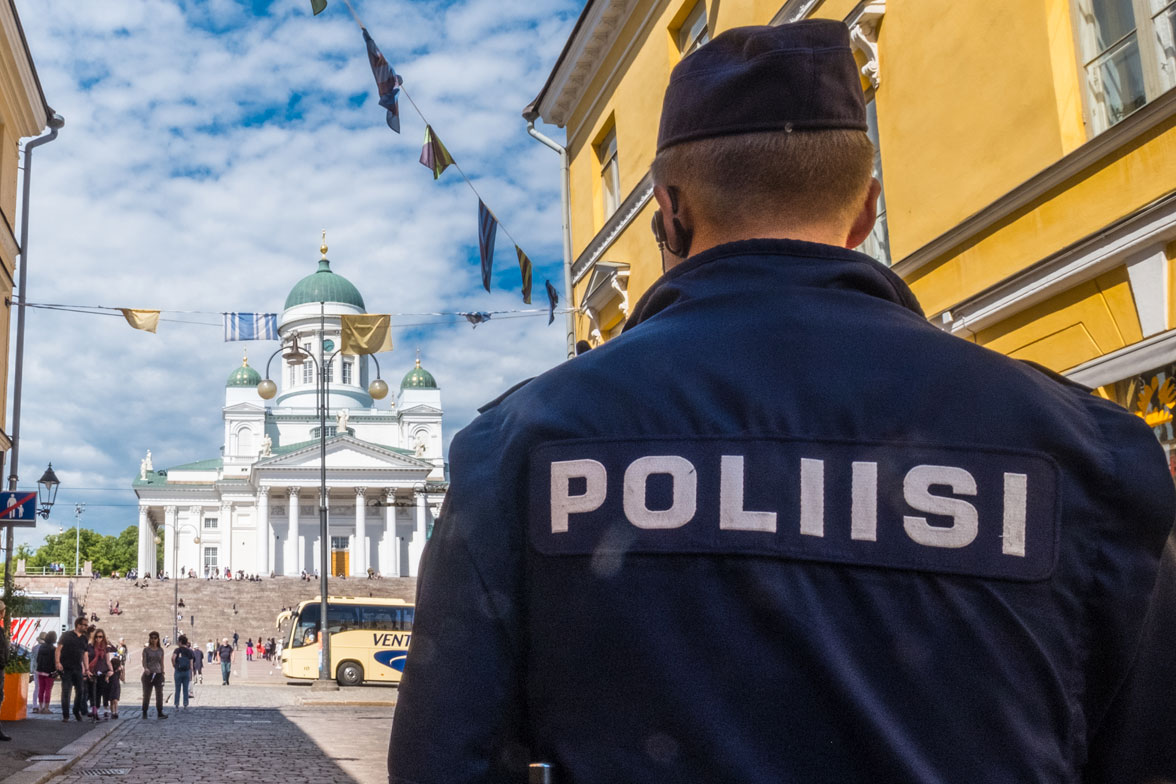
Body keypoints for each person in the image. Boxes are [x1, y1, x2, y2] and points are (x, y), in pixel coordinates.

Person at [387, 21, 1176, 784]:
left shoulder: (522, 447)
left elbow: (445, 761)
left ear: (670, 208)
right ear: (867, 208)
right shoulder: (1090, 454)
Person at [56, 615, 89, 723]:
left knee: (80, 691)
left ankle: (76, 711)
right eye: (84, 625)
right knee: (66, 692)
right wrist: (57, 662)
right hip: (66, 667)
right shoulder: (66, 635)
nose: (86, 627)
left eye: (86, 625)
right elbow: (58, 649)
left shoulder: (84, 638)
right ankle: (66, 715)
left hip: (78, 668)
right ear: (78, 625)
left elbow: (85, 654)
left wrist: (87, 668)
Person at [85, 629, 112, 722]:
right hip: (92, 671)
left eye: (100, 637)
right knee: (92, 692)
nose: (98, 639)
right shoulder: (90, 646)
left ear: (103, 637)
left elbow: (108, 661)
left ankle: (96, 711)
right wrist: (86, 669)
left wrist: (111, 670)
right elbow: (85, 658)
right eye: (96, 637)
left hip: (102, 671)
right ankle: (94, 711)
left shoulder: (106, 648)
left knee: (99, 693)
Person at [140, 631, 167, 719]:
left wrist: (163, 673)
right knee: (146, 694)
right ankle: (144, 711)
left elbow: (162, 662)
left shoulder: (160, 650)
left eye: (155, 638)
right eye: (152, 638)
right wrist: (146, 668)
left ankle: (160, 711)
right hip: (148, 674)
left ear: (158, 639)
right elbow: (144, 661)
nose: (153, 640)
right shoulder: (146, 650)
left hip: (158, 674)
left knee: (159, 694)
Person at [35, 631, 57, 714]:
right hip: (49, 672)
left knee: (41, 689)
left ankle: (40, 707)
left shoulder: (41, 647)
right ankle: (46, 708)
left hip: (40, 670)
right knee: (48, 690)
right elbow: (54, 661)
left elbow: (38, 659)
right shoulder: (53, 649)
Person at [170, 635, 195, 709]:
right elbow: (191, 663)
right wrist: (191, 671)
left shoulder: (177, 650)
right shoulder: (189, 651)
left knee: (177, 688)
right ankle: (185, 704)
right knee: (185, 689)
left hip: (178, 670)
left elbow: (173, 658)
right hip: (186, 671)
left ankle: (177, 704)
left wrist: (174, 665)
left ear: (180, 642)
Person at [107, 653, 124, 719]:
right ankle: (112, 713)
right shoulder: (110, 671)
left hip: (116, 686)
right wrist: (107, 677)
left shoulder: (118, 672)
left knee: (115, 700)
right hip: (111, 686)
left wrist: (123, 671)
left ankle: (116, 712)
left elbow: (122, 679)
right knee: (111, 701)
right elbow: (107, 679)